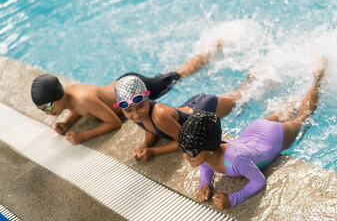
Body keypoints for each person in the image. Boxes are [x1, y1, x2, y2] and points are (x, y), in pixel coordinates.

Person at [176, 57, 327, 210]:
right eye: (183, 149)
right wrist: (205, 184)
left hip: (273, 137)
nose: (184, 156)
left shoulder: (235, 160)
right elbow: (206, 164)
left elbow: (259, 181)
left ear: (208, 149)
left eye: (189, 151)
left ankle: (318, 78)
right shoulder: (208, 151)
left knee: (301, 119)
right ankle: (298, 94)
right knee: (286, 112)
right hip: (254, 129)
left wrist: (233, 198)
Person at [30, 41, 222, 145]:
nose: (47, 112)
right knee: (168, 77)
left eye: (47, 106)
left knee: (178, 75)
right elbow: (76, 109)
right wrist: (67, 122)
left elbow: (113, 122)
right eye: (42, 110)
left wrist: (83, 135)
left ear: (58, 97)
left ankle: (212, 49)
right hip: (123, 86)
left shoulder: (83, 98)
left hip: (132, 89)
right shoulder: (69, 96)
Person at [114, 67, 253, 161]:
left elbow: (185, 143)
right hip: (190, 106)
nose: (136, 114)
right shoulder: (138, 115)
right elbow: (150, 128)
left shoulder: (159, 115)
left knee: (245, 96)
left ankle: (257, 77)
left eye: (140, 107)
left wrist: (154, 151)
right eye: (129, 110)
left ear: (148, 99)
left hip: (205, 109)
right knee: (240, 94)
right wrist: (145, 146)